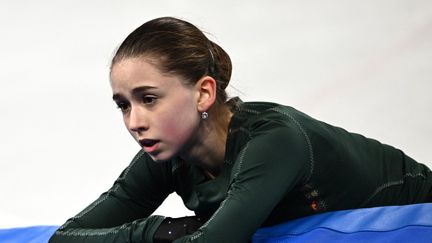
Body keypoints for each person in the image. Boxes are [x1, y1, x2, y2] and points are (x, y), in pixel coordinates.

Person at [49, 16, 432, 243]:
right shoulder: (164, 153)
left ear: (203, 93)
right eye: (123, 105)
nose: (134, 123)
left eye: (149, 99)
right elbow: (65, 239)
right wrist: (159, 231)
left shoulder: (275, 140)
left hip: (414, 219)